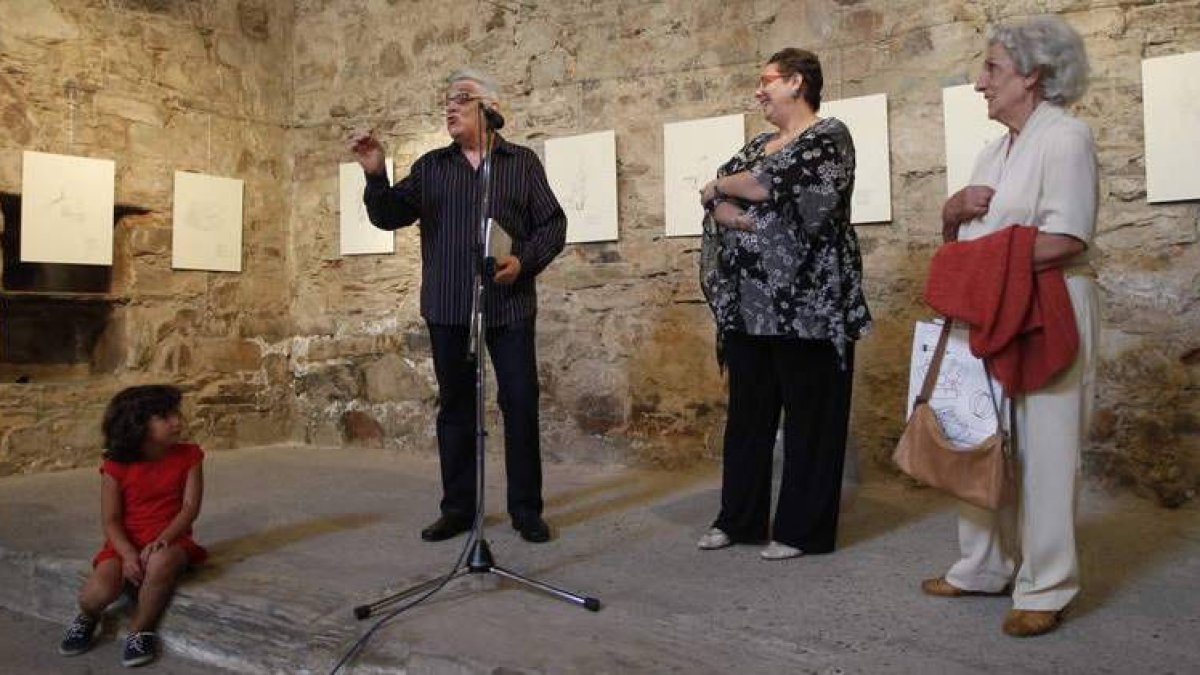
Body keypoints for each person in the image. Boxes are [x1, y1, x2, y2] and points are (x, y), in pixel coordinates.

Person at [922, 16, 1100, 638]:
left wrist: (977, 259)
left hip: (1047, 305)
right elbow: (971, 233)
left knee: (1048, 450)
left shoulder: (1066, 137)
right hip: (991, 305)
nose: (980, 82)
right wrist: (951, 212)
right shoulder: (993, 150)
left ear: (1033, 74)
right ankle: (981, 567)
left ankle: (1046, 585)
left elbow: (1067, 237)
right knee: (979, 433)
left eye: (992, 69)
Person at [347, 69, 566, 544]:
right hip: (448, 306)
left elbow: (553, 225)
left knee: (520, 403)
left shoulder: (522, 163)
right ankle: (459, 509)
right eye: (446, 101)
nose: (450, 107)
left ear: (490, 107)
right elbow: (388, 215)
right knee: (456, 410)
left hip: (508, 304)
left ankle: (526, 509)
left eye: (462, 99)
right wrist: (374, 172)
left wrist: (523, 261)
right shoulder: (431, 167)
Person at [697, 48, 872, 560]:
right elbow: (733, 198)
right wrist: (730, 202)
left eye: (767, 81)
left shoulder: (828, 136)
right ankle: (739, 519)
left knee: (811, 421)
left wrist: (722, 191)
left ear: (797, 83)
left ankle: (801, 530)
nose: (759, 90)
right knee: (748, 418)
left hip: (810, 303)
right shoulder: (758, 143)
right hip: (750, 304)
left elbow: (756, 186)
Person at [59, 385, 206, 668]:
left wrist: (164, 539)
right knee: (96, 594)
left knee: (161, 562)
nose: (177, 421)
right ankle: (88, 618)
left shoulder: (189, 456)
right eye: (165, 416)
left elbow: (189, 509)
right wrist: (127, 554)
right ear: (138, 425)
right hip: (123, 544)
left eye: (176, 413)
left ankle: (140, 630)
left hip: (170, 541)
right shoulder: (116, 466)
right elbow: (111, 519)